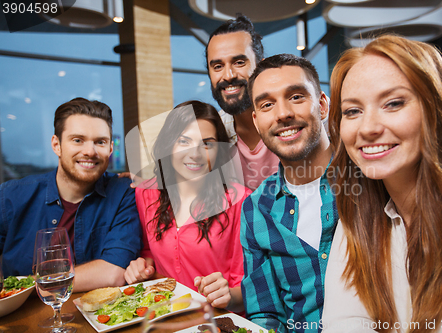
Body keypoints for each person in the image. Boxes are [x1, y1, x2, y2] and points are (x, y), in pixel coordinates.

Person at [321, 35, 442, 332]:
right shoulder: (357, 220)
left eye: (393, 103)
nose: (368, 128)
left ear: (434, 108)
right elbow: (345, 324)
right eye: (352, 111)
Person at [0, 97, 142, 292]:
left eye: (100, 142)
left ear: (110, 149)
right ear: (57, 145)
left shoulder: (124, 192)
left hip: (91, 319)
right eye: (77, 140)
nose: (90, 151)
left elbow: (112, 272)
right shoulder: (11, 196)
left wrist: (23, 286)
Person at [241, 54, 338, 332]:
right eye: (268, 104)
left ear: (321, 105)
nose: (282, 113)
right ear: (257, 122)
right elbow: (266, 314)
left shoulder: (370, 178)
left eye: (296, 97)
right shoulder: (256, 209)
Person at [124, 101, 251, 313]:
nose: (195, 154)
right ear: (168, 146)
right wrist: (141, 268)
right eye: (184, 141)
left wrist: (228, 295)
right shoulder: (145, 193)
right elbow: (149, 252)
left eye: (207, 144)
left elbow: (245, 284)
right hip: (165, 317)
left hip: (218, 320)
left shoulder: (240, 200)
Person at [206, 14, 279, 190]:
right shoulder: (215, 133)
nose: (228, 75)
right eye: (217, 66)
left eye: (239, 62)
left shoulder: (298, 116)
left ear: (261, 67)